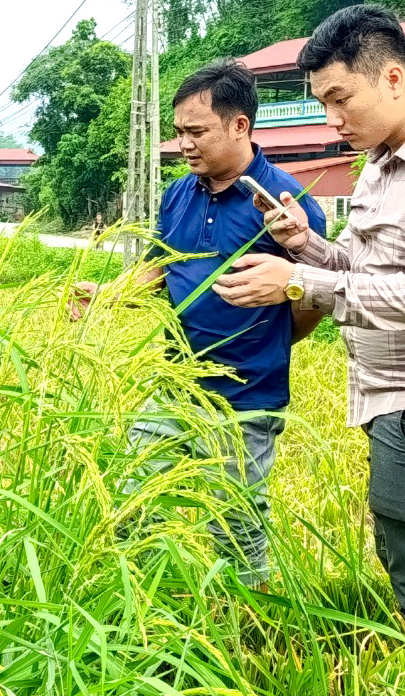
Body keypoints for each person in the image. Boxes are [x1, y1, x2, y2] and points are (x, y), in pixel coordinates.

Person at [215, 4, 405, 627]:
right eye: (322, 103)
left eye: (339, 99)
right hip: (399, 404)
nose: (331, 120)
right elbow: (363, 270)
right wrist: (306, 244)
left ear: (391, 78)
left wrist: (297, 282)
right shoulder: (383, 162)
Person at [73, 59, 327, 586]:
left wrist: (267, 344)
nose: (184, 144)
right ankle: (138, 608)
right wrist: (108, 297)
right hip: (175, 383)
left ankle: (249, 620)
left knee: (236, 521)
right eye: (179, 133)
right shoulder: (179, 193)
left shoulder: (286, 204)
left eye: (197, 131)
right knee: (131, 498)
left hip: (248, 396)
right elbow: (163, 271)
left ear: (240, 126)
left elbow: (315, 299)